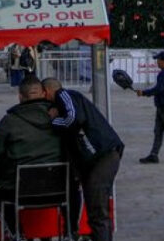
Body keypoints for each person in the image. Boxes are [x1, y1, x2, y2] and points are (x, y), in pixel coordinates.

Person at [0, 77, 76, 233]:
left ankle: (16, 233)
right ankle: (70, 232)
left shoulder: (9, 121)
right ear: (43, 93)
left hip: (19, 192)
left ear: (20, 96)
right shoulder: (59, 117)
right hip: (60, 190)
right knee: (75, 185)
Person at [44, 77, 124, 241]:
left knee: (98, 211)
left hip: (102, 156)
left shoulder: (64, 95)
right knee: (96, 210)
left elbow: (72, 119)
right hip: (98, 158)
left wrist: (54, 120)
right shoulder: (67, 101)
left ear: (48, 91)